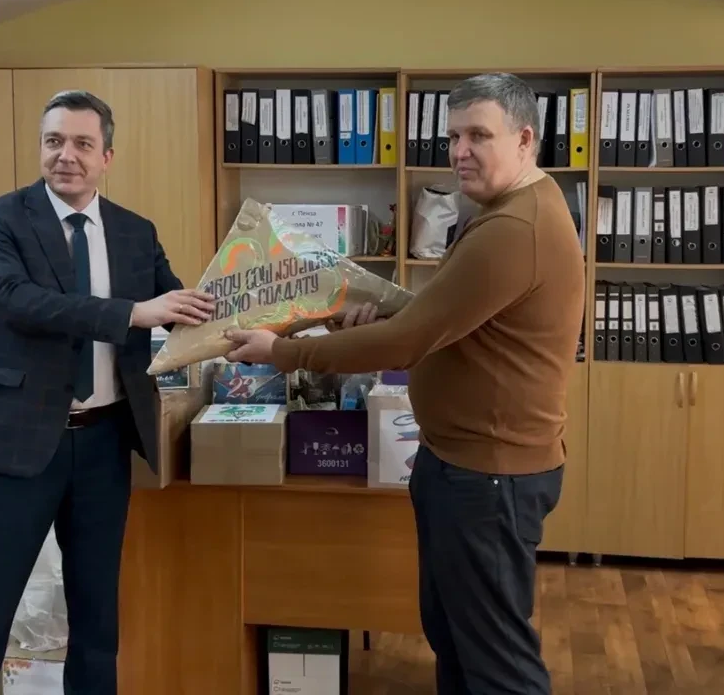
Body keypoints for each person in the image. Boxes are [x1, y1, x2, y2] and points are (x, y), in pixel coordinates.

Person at [226, 72, 585, 694]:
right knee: (457, 640)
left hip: (488, 475)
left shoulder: (513, 229)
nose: (460, 152)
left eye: (479, 136)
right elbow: (448, 317)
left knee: (498, 664)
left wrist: (282, 352)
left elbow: (407, 344)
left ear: (525, 139)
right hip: (466, 464)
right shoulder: (511, 208)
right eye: (453, 137)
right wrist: (390, 313)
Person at [0, 90, 214, 695]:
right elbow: (18, 301)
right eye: (54, 141)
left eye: (82, 144)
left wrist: (252, 321)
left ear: (106, 157)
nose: (66, 155)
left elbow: (176, 311)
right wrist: (131, 313)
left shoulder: (135, 231)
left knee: (97, 612)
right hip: (17, 441)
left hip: (103, 444)